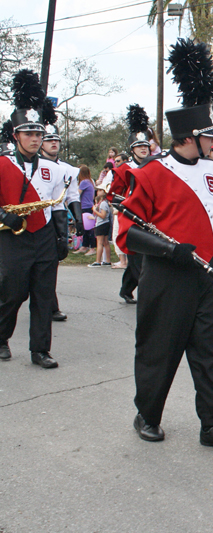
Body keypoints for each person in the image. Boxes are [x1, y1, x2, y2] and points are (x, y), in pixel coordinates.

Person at [117, 38, 213, 453]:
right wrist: (171, 250)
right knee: (159, 349)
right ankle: (148, 414)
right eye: (208, 136)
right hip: (168, 274)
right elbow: (128, 231)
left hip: (207, 276)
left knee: (209, 352)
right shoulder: (151, 174)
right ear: (190, 136)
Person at [0, 70, 80, 368]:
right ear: (15, 135)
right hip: (13, 236)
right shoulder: (2, 164)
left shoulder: (53, 168)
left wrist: (63, 236)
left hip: (44, 236)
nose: (35, 139)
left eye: (38, 134)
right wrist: (4, 216)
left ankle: (40, 350)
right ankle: (0, 337)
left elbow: (58, 204)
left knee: (43, 295)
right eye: (29, 134)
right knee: (13, 293)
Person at [39, 117, 83, 321]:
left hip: (58, 218)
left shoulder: (67, 169)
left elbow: (73, 196)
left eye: (56, 139)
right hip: (37, 217)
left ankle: (51, 305)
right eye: (48, 140)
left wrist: (79, 219)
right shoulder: (35, 165)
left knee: (53, 261)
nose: (53, 143)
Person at [109, 105, 153, 305]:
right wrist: (126, 205)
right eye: (139, 146)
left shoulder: (155, 165)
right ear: (132, 149)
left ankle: (126, 289)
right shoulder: (124, 169)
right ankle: (146, 296)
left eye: (146, 146)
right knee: (137, 258)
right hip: (131, 219)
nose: (144, 149)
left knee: (142, 258)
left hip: (151, 219)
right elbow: (113, 195)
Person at [75, 165, 96, 254]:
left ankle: (92, 247)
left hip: (85, 207)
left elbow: (77, 194)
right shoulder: (90, 181)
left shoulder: (84, 182)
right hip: (89, 206)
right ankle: (85, 245)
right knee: (86, 228)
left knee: (89, 228)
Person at [88, 189, 111, 267]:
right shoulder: (102, 203)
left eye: (100, 190)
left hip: (101, 224)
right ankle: (107, 260)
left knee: (100, 242)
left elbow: (103, 215)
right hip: (104, 223)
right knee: (105, 242)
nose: (98, 191)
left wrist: (95, 210)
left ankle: (98, 261)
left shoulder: (103, 203)